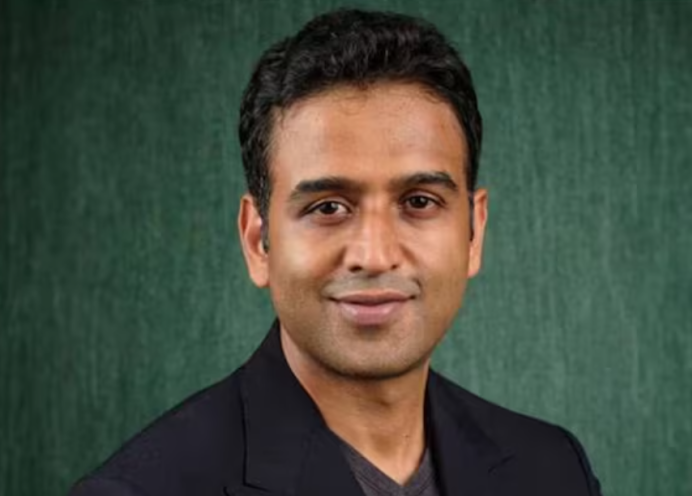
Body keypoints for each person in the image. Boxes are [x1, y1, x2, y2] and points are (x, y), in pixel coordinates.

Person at [70, 8, 603, 496]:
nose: (374, 254)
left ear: (474, 232)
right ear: (257, 241)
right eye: (328, 207)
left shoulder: (554, 469)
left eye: (419, 201)